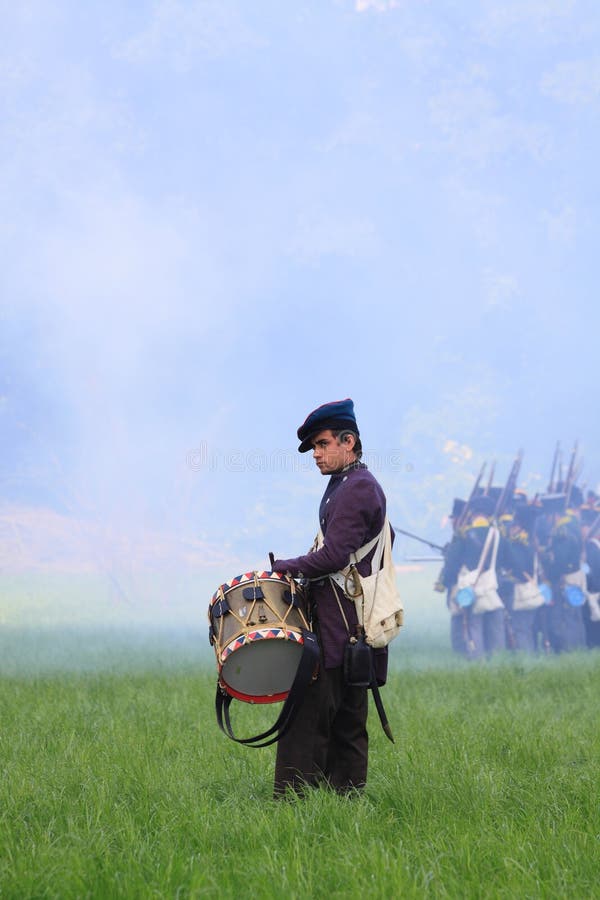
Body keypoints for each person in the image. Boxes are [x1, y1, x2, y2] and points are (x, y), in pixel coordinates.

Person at [270, 398, 390, 797]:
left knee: (308, 714)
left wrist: (287, 566)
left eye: (322, 445)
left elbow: (336, 555)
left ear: (348, 441)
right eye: (315, 448)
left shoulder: (357, 488)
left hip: (341, 624)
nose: (317, 455)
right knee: (347, 720)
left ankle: (294, 802)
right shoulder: (348, 484)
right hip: (346, 620)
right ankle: (345, 798)